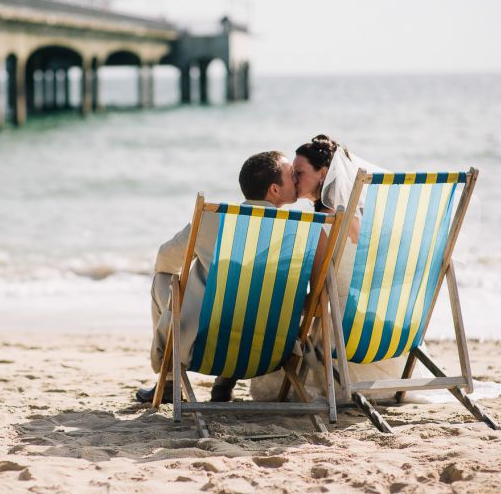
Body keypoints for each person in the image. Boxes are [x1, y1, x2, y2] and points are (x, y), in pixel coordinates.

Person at [250, 135, 408, 402]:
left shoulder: (322, 222)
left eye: (299, 173)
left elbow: (318, 296)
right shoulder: (366, 217)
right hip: (386, 333)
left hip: (345, 337)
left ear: (323, 174)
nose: (294, 180)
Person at [136, 151, 299, 404]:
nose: (297, 178)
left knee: (163, 278)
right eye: (292, 175)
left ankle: (168, 382)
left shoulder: (213, 219)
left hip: (205, 347)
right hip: (273, 350)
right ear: (275, 190)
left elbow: (165, 259)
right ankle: (225, 383)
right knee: (252, 299)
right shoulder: (301, 230)